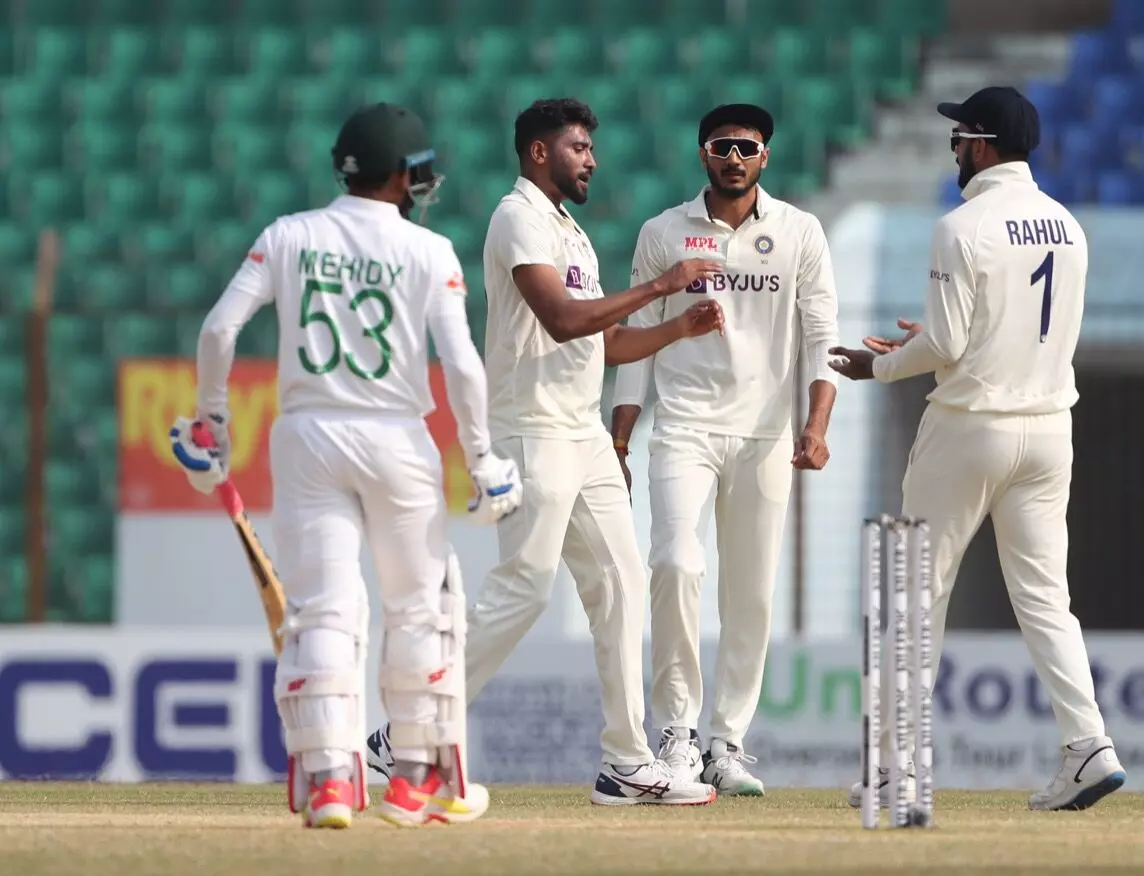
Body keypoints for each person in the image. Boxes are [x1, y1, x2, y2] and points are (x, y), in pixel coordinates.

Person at [168, 103, 523, 829]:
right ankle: (416, 781)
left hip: (307, 437)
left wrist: (212, 422)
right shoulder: (428, 250)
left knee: (322, 609)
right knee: (420, 606)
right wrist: (482, 457)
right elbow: (461, 365)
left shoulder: (289, 234)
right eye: (416, 172)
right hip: (397, 438)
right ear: (398, 175)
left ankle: (330, 781)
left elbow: (219, 329)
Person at [369, 98, 727, 805]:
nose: (592, 159)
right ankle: (404, 731)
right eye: (578, 147)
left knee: (622, 585)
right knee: (525, 588)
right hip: (531, 428)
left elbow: (604, 342)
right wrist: (661, 285)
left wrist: (676, 328)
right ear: (540, 152)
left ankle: (625, 762)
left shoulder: (571, 231)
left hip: (582, 431)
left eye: (591, 147)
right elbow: (562, 321)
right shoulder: (517, 218)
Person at [832, 86, 1126, 812]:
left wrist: (880, 366)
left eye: (959, 139)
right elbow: (1003, 329)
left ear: (983, 144)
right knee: (1047, 599)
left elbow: (946, 345)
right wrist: (934, 340)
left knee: (913, 593)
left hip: (971, 425)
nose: (955, 152)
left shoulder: (961, 226)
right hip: (1048, 428)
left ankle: (895, 769)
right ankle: (1089, 745)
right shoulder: (1068, 226)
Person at [609, 103, 840, 796]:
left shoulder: (799, 230)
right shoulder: (663, 231)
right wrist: (620, 434)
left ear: (764, 156)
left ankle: (727, 742)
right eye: (722, 146)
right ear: (703, 154)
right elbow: (637, 336)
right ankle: (678, 734)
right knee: (675, 563)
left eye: (747, 147)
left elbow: (821, 336)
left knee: (751, 594)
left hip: (764, 434)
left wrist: (816, 424)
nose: (734, 158)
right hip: (684, 424)